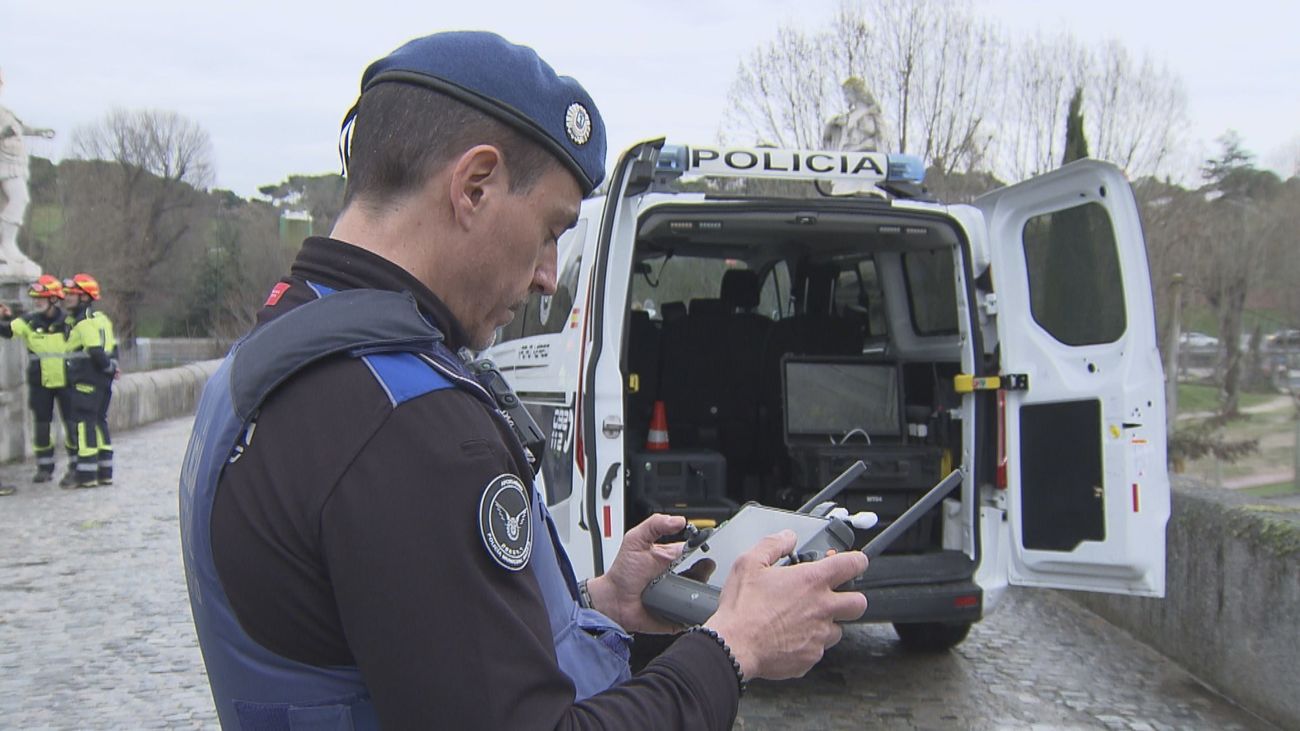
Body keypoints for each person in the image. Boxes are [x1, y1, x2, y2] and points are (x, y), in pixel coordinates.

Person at [179, 31, 868, 730]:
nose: (547, 274)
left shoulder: (275, 355)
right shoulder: (406, 425)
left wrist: (596, 605)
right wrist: (733, 646)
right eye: (549, 230)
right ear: (474, 186)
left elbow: (424, 646)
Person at [0, 275, 75, 492]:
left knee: (72, 424)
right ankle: (44, 467)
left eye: (41, 298)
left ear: (53, 299)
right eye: (36, 299)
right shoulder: (29, 321)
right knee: (42, 426)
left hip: (66, 380)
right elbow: (8, 330)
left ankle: (76, 463)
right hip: (40, 381)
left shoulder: (68, 322)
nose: (37, 302)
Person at [61, 273, 115, 488]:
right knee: (100, 423)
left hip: (86, 379)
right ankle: (105, 472)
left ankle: (86, 475)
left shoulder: (83, 324)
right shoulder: (102, 319)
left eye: (72, 294)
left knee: (84, 426)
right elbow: (112, 348)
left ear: (84, 297)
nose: (67, 298)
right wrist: (112, 369)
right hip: (103, 381)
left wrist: (106, 366)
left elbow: (95, 350)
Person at [0, 67, 55, 277]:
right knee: (18, 198)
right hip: (3, 164)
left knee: (16, 200)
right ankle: (5, 243)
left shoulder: (4, 111)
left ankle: (7, 245)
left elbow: (20, 127)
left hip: (15, 162)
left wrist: (39, 132)